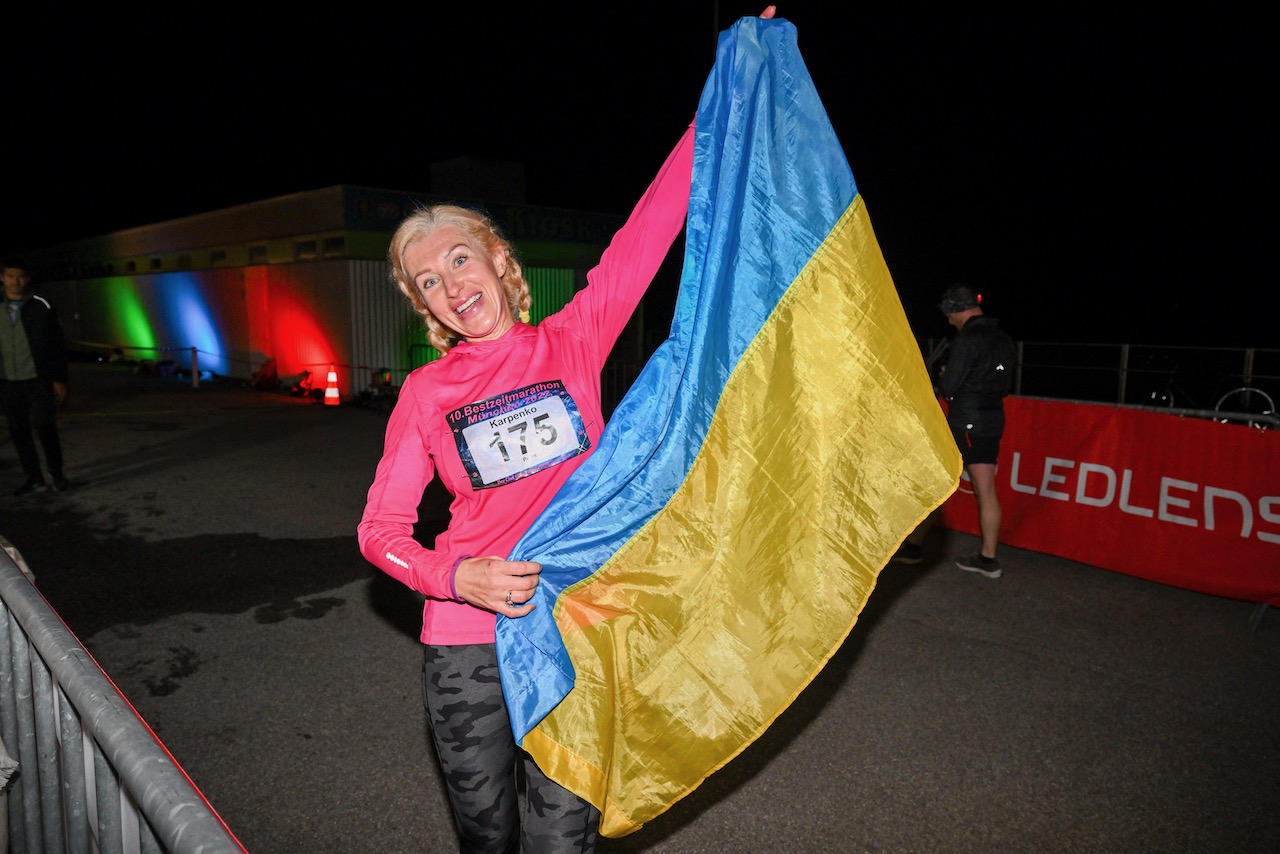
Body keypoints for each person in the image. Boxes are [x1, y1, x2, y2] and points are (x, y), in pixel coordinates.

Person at [358, 10, 776, 850]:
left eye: (460, 260)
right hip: (467, 646)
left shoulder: (574, 339)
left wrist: (732, 85)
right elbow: (380, 534)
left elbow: (654, 223)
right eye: (427, 281)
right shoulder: (426, 392)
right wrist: (453, 576)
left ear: (500, 263)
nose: (449, 285)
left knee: (564, 842)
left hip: (575, 628)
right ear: (424, 306)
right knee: (488, 839)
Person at [1, 259, 70, 495]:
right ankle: (34, 477)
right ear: (2, 278)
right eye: (10, 276)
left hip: (38, 378)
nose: (15, 281)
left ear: (27, 279)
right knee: (19, 431)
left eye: (20, 276)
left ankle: (57, 474)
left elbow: (57, 343)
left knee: (45, 427)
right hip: (7, 381)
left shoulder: (42, 304)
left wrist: (59, 378)